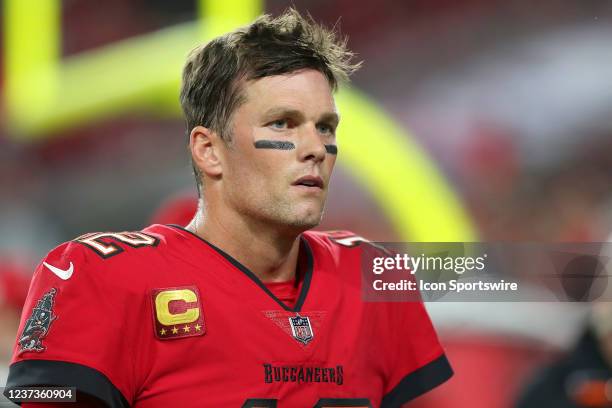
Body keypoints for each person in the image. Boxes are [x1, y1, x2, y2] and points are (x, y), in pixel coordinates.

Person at [4, 9, 452, 407]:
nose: (316, 147)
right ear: (209, 151)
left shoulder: (373, 275)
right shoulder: (99, 277)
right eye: (283, 123)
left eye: (326, 126)